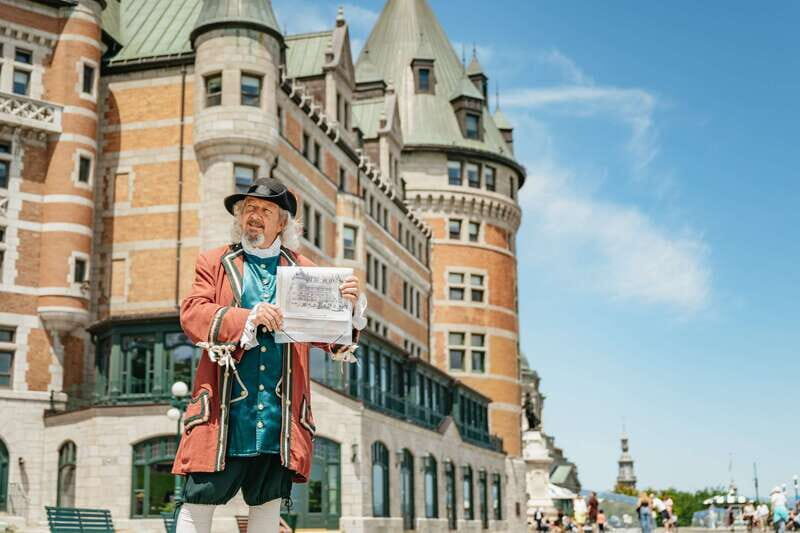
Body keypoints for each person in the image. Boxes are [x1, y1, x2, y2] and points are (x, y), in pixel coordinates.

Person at [172, 178, 365, 533]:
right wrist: (248, 317)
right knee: (199, 498)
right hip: (224, 412)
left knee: (266, 504)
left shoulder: (305, 270)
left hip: (280, 417)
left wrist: (348, 309)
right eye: (248, 209)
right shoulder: (215, 261)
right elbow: (192, 313)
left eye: (265, 210)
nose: (254, 217)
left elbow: (334, 341)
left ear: (283, 223)